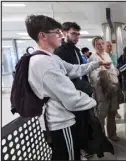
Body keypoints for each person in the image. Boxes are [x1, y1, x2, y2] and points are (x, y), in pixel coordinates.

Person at [25, 15, 110, 160]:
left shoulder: (51, 58)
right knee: (69, 156)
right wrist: (95, 101)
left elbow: (73, 70)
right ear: (42, 36)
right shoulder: (43, 63)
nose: (61, 35)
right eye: (57, 33)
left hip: (64, 118)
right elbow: (72, 99)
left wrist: (96, 64)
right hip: (59, 121)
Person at [54, 22, 93, 159]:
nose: (77, 37)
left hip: (81, 92)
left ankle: (82, 148)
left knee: (83, 122)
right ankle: (78, 151)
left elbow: (80, 71)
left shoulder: (76, 50)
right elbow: (66, 76)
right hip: (70, 96)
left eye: (78, 34)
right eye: (73, 34)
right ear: (64, 33)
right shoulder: (59, 52)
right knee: (76, 125)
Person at [89, 36, 120, 142]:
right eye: (98, 44)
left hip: (112, 87)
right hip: (101, 90)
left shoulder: (106, 55)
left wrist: (114, 71)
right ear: (94, 46)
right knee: (101, 114)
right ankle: (101, 137)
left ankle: (112, 134)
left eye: (102, 43)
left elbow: (112, 69)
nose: (101, 46)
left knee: (112, 111)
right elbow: (93, 76)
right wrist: (104, 72)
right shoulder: (93, 58)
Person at [105, 41, 121, 119]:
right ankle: (109, 113)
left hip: (114, 79)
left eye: (110, 46)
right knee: (108, 98)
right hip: (106, 81)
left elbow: (115, 66)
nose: (109, 47)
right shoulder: (102, 56)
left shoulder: (114, 56)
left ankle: (115, 112)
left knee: (115, 97)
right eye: (107, 46)